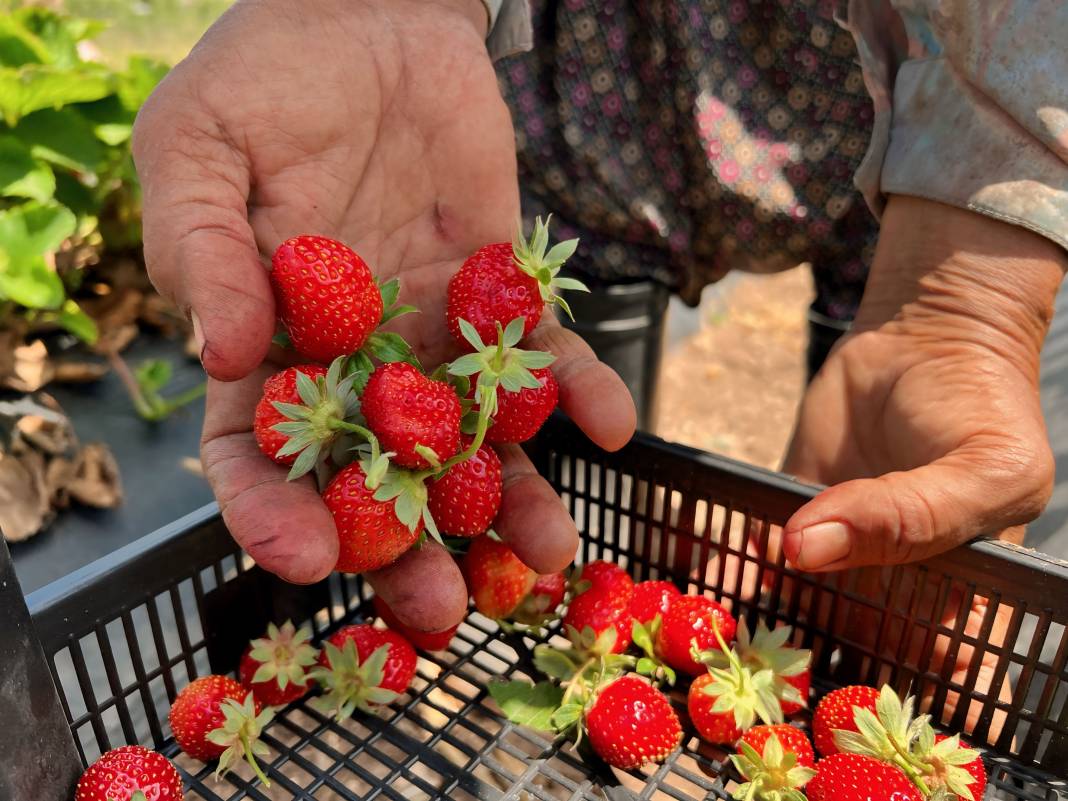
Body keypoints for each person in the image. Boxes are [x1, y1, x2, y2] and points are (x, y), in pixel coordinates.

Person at [131, 0, 1067, 639]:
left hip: (909, 111)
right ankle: (580, 615)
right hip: (549, 128)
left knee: (873, 493)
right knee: (580, 470)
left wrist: (968, 293)